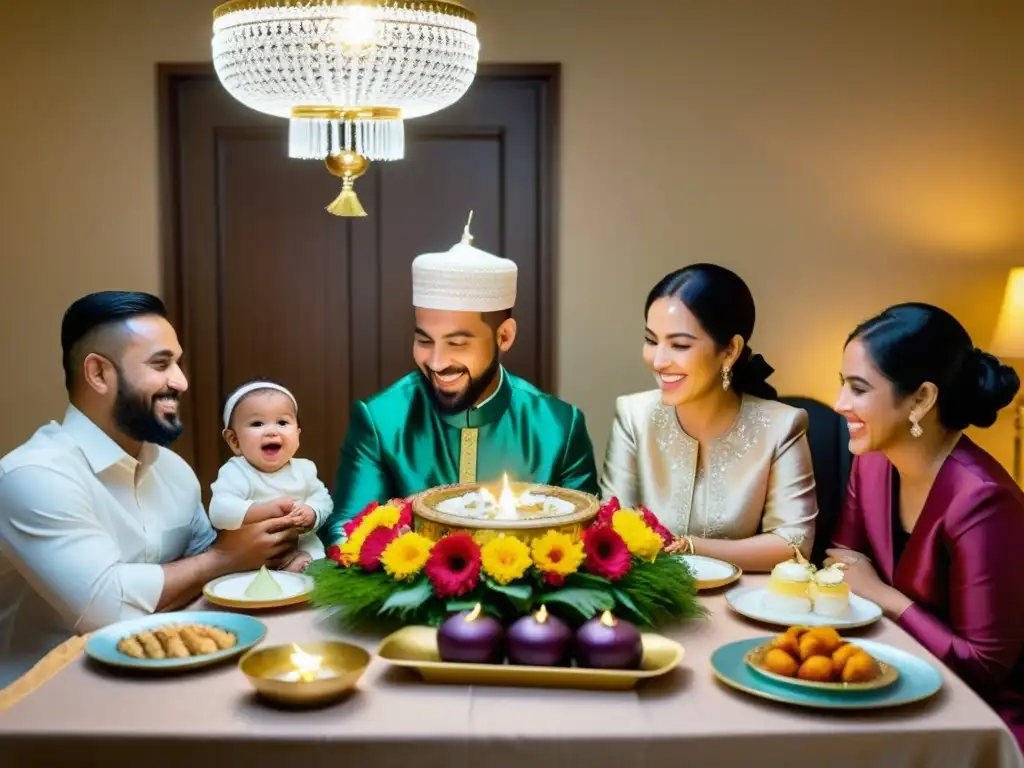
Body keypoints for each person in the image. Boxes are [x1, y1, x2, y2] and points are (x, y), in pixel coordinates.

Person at [0, 292, 297, 688]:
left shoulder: (171, 469)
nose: (181, 381)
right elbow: (108, 611)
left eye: (178, 363)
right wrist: (226, 556)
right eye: (161, 364)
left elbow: (205, 580)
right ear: (99, 374)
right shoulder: (32, 476)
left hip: (171, 677)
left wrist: (263, 541)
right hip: (41, 703)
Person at [321, 221, 599, 544]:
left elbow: (591, 545)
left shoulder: (559, 427)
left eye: (457, 343)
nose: (436, 362)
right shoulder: (381, 420)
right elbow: (346, 532)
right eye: (425, 341)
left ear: (504, 336)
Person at [827, 302, 1024, 748]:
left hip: (982, 719)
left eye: (859, 389)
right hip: (890, 679)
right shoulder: (873, 462)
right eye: (843, 385)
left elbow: (984, 667)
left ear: (921, 399)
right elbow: (843, 563)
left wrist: (881, 594)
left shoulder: (982, 499)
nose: (840, 404)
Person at [600, 264, 817, 572]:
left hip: (745, 601)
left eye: (680, 345)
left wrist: (690, 546)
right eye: (651, 340)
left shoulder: (783, 426)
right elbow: (613, 524)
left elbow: (794, 543)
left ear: (730, 349)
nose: (659, 360)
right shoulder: (633, 415)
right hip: (650, 598)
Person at [210, 380, 333, 572]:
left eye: (282, 422)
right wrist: (265, 510)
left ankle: (298, 572)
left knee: (314, 562)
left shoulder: (305, 470)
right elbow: (219, 512)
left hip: (297, 547)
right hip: (250, 554)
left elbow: (324, 499)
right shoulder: (236, 472)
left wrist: (312, 511)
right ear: (234, 441)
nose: (272, 431)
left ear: (297, 435)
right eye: (257, 423)